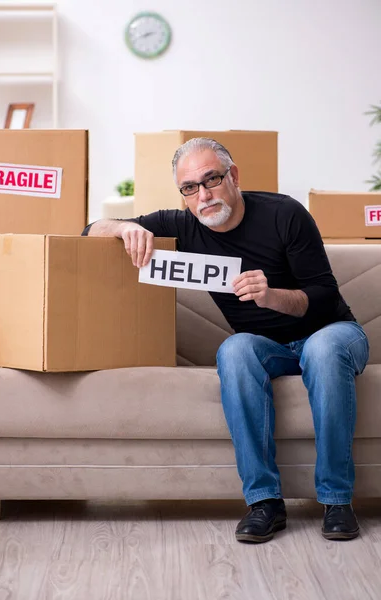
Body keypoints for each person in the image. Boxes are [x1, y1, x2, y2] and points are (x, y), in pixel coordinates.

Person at [83, 138, 369, 543]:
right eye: (190, 188)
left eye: (212, 180)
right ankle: (264, 502)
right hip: (268, 349)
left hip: (332, 333)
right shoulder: (184, 223)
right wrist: (126, 226)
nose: (203, 195)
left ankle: (337, 500)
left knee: (322, 349)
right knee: (234, 349)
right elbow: (88, 231)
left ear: (232, 176)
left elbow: (324, 297)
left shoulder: (284, 213)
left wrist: (271, 297)